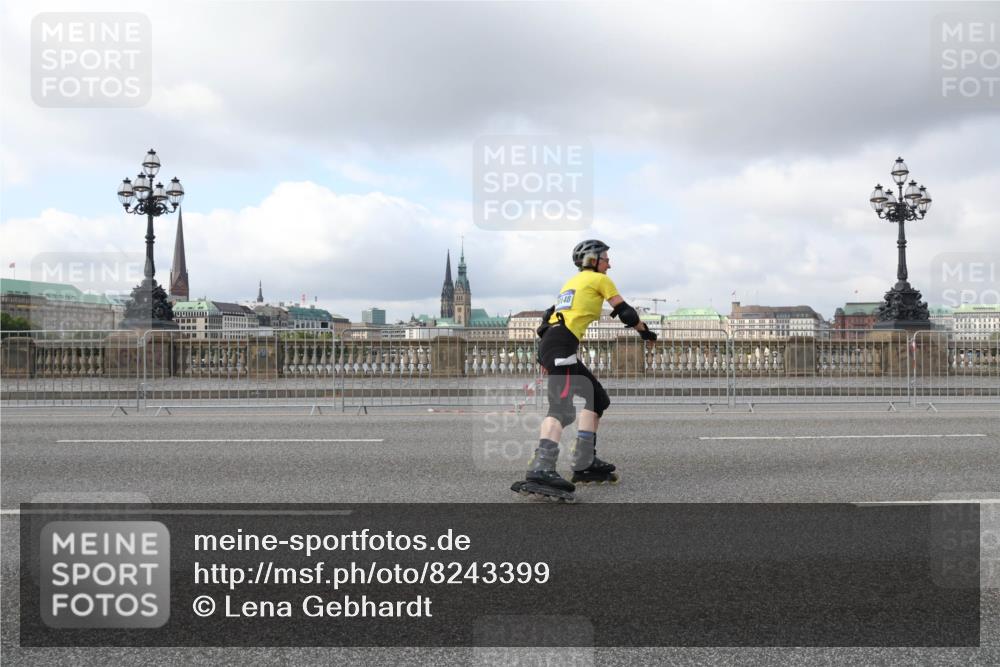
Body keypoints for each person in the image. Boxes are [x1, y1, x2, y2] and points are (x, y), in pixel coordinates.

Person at [512, 239, 657, 501]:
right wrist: (645, 332)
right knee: (561, 410)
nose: (609, 264)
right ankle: (541, 468)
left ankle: (584, 460)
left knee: (597, 398)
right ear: (593, 259)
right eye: (606, 258)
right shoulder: (599, 280)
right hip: (561, 346)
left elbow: (548, 317)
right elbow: (625, 312)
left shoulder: (572, 283)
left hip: (554, 343)